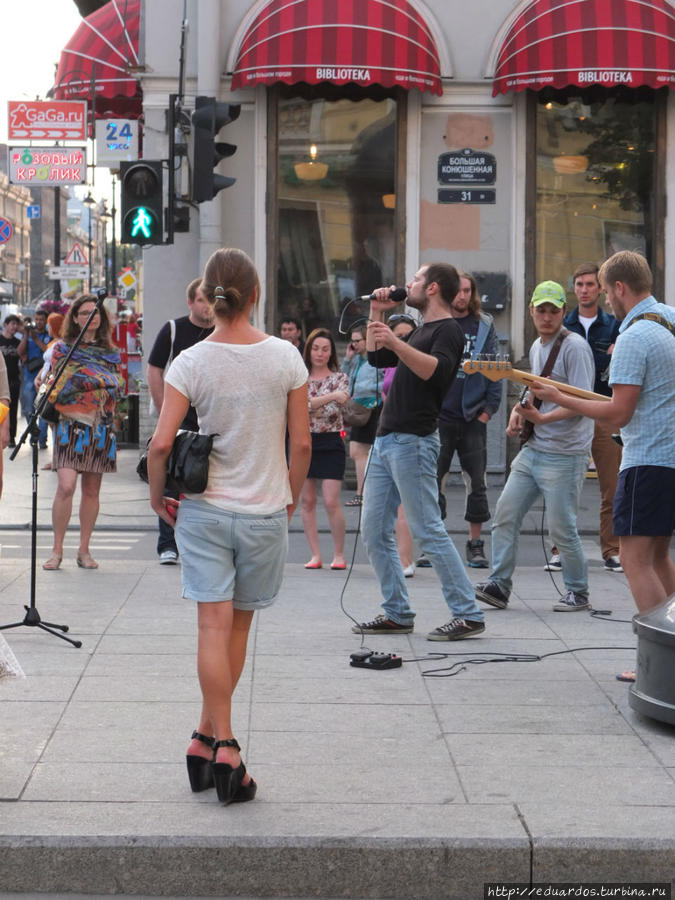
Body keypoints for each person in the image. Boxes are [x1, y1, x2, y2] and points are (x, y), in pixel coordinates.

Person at [147, 247, 311, 805]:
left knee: (210, 630)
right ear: (256, 295)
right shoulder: (287, 356)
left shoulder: (189, 361)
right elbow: (304, 442)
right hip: (264, 508)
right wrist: (287, 499)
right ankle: (228, 748)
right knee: (236, 631)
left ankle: (203, 738)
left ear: (209, 298)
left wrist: (157, 499)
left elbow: (162, 443)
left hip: (204, 510)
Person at [530, 252, 675, 678]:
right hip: (671, 457)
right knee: (660, 557)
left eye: (607, 291)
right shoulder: (669, 319)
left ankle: (658, 666)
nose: (608, 300)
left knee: (634, 559)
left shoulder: (633, 337)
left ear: (618, 289)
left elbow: (618, 413)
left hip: (648, 458)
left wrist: (560, 397)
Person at [353, 263, 487, 641]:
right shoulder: (421, 329)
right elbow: (377, 359)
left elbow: (437, 372)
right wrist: (377, 313)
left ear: (431, 289)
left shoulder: (447, 330)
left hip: (414, 441)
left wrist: (395, 341)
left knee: (427, 528)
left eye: (415, 278)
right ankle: (397, 611)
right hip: (387, 439)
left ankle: (468, 613)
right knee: (375, 529)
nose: (407, 283)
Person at [475, 281, 595, 613]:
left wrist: (542, 420)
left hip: (566, 453)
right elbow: (536, 391)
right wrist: (519, 411)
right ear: (531, 311)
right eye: (540, 310)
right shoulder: (537, 346)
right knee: (505, 515)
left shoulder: (575, 348)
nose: (546, 316)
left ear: (563, 313)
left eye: (553, 310)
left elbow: (584, 402)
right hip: (536, 449)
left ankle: (578, 590)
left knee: (561, 527)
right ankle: (499, 585)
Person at [42, 295, 125, 571]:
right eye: (85, 312)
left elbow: (116, 386)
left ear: (101, 317)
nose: (91, 316)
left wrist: (85, 380)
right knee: (66, 486)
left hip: (100, 425)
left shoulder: (111, 352)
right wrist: (97, 381)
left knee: (92, 490)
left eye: (95, 311)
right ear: (75, 318)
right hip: (69, 424)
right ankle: (56, 550)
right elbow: (62, 388)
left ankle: (84, 550)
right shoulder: (62, 350)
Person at [555, 262, 622, 574]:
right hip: (570, 411)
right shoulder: (562, 323)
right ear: (574, 288)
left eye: (590, 284)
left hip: (606, 411)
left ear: (600, 289)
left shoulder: (614, 325)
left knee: (612, 486)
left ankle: (612, 550)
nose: (584, 290)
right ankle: (559, 550)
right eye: (579, 284)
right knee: (566, 486)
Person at [436, 272, 503, 569]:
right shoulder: (439, 322)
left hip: (473, 415)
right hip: (440, 415)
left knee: (477, 483)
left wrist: (489, 409)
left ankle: (475, 544)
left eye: (467, 291)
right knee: (433, 482)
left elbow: (495, 367)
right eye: (458, 291)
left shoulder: (484, 324)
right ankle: (432, 543)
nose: (462, 296)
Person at [146, 278, 214, 564]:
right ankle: (167, 544)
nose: (206, 306)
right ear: (190, 302)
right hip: (178, 421)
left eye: (210, 300)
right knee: (172, 481)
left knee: (205, 485)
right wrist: (166, 414)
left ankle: (198, 544)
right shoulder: (174, 329)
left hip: (210, 420)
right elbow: (154, 370)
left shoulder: (221, 333)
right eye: (200, 300)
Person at [300, 327, 349, 569]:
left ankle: (339, 554)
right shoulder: (299, 377)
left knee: (331, 500)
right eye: (316, 348)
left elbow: (331, 413)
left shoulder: (340, 378)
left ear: (331, 352)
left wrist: (314, 405)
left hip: (331, 441)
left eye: (325, 349)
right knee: (307, 500)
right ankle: (315, 555)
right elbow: (301, 406)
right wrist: (330, 397)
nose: (320, 353)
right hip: (304, 441)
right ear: (309, 350)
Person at [381, 313, 417, 577]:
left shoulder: (417, 360)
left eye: (409, 335)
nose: (404, 340)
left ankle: (407, 559)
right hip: (388, 431)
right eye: (399, 335)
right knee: (388, 503)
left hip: (412, 435)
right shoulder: (389, 362)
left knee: (407, 503)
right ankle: (395, 558)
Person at [341, 324, 382, 507]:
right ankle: (364, 493)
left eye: (358, 341)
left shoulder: (377, 358)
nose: (354, 345)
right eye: (352, 341)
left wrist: (374, 393)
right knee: (358, 451)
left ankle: (363, 493)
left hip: (372, 406)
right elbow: (344, 378)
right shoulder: (357, 360)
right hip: (358, 406)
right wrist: (348, 360)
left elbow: (387, 380)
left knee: (359, 451)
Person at [20, 309, 50, 449]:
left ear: (46, 321)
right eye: (36, 319)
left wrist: (36, 338)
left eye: (41, 319)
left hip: (44, 375)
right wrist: (26, 335)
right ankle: (34, 433)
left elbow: (47, 350)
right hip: (29, 375)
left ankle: (42, 439)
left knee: (43, 408)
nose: (38, 322)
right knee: (28, 409)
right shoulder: (28, 334)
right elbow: (19, 352)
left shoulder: (49, 336)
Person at [0, 315, 24, 447]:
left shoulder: (18, 342)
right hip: (2, 380)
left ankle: (11, 436)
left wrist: (25, 332)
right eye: (12, 324)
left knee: (12, 409)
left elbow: (24, 356)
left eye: (17, 324)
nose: (14, 327)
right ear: (5, 324)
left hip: (14, 380)